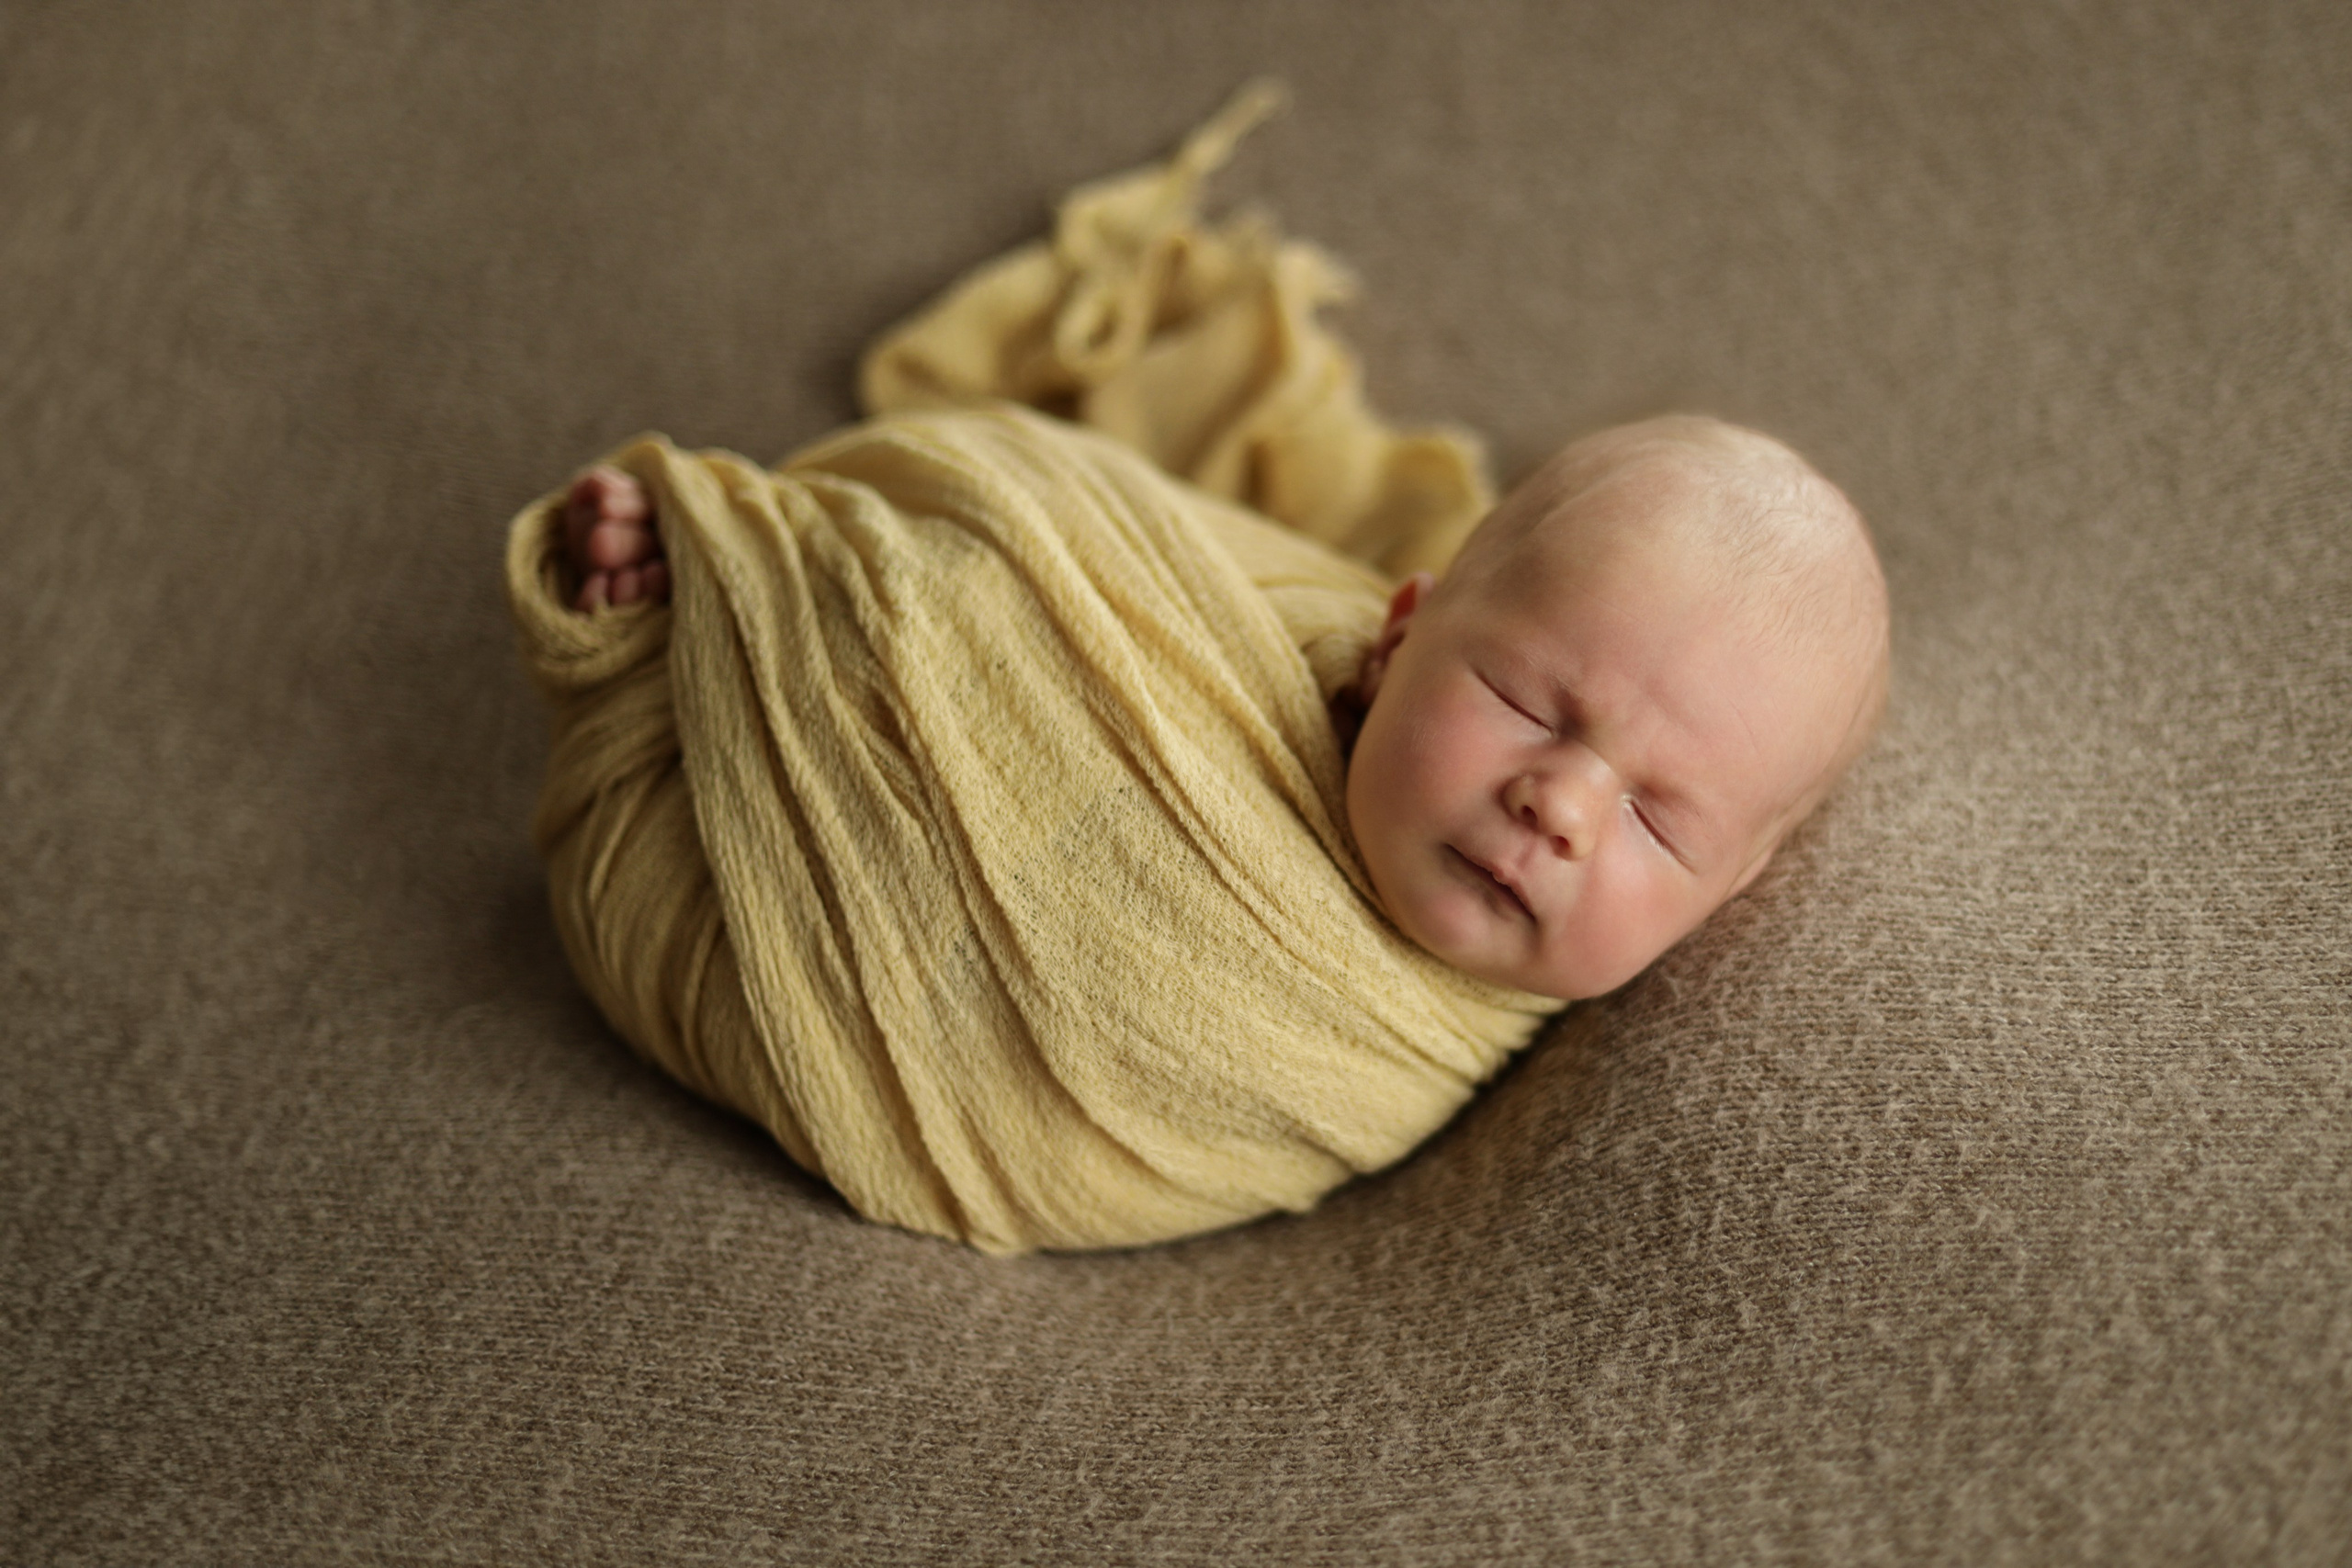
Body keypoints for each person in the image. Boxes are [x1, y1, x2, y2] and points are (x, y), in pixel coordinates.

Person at [552, 410, 1888, 1006]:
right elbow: (1054, 558)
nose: (1565, 804)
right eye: (1526, 701)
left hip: (809, 991)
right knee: (942, 587)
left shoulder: (1411, 1028)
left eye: (1658, 823)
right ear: (1399, 635)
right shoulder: (1251, 631)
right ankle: (722, 603)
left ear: (1732, 893)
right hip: (815, 805)